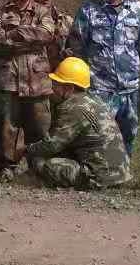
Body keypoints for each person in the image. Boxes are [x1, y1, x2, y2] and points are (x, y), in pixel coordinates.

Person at [67, 0, 140, 154]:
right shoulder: (88, 11)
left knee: (129, 133)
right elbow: (77, 47)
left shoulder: (137, 9)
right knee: (99, 135)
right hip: (100, 88)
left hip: (130, 88)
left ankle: (123, 176)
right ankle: (102, 175)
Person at [0, 0, 64, 174]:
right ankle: (7, 167)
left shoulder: (43, 12)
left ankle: (39, 168)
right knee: (8, 127)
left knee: (39, 128)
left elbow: (47, 34)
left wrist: (15, 34)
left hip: (37, 82)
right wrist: (30, 38)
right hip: (9, 82)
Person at [26, 57, 131, 190]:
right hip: (119, 174)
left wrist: (28, 150)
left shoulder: (72, 108)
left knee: (43, 163)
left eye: (56, 84)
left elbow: (53, 145)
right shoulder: (93, 101)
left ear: (68, 88)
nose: (52, 88)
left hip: (101, 177)